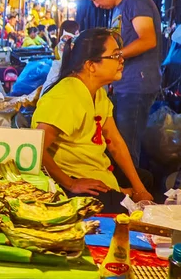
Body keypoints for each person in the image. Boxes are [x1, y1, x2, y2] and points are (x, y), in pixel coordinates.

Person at [32, 28, 154, 213]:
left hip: (96, 170)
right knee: (124, 208)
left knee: (145, 179)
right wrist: (71, 183)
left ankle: (123, 192)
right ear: (91, 65)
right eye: (114, 56)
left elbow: (115, 143)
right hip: (72, 179)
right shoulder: (66, 96)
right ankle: (120, 195)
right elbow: (35, 145)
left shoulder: (97, 92)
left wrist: (140, 190)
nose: (121, 60)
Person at [82, 0, 162, 167]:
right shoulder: (120, 8)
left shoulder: (136, 2)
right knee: (120, 141)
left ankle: (135, 192)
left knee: (127, 143)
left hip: (137, 82)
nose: (96, 5)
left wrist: (114, 56)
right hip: (123, 83)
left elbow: (148, 39)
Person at [41, 20, 80, 95]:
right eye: (77, 32)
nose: (79, 34)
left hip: (54, 77)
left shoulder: (62, 44)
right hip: (59, 79)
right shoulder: (66, 45)